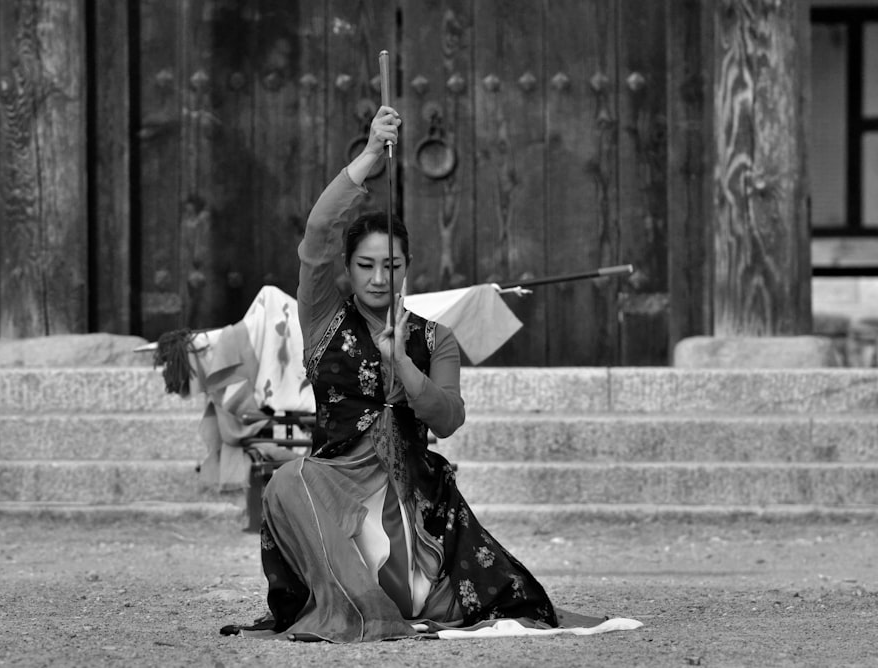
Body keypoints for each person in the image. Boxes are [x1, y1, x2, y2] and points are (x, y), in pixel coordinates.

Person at [225, 105, 627, 643]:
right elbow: (321, 229)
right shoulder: (322, 314)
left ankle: (385, 601)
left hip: (409, 494)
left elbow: (448, 417)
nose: (376, 278)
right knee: (285, 480)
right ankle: (355, 610)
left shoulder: (436, 338)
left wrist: (402, 364)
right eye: (364, 266)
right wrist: (369, 155)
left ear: (406, 269)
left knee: (431, 596)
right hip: (332, 484)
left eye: (390, 266)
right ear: (345, 270)